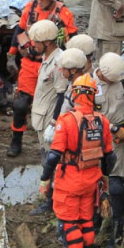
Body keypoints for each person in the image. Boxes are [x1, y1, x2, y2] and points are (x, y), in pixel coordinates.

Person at [39, 74, 116, 248]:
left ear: (74, 94)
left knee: (69, 224)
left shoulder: (67, 120)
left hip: (69, 182)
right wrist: (104, 180)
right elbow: (110, 156)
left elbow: (54, 155)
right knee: (86, 222)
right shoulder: (102, 121)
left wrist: (45, 179)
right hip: (92, 180)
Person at [7, 0, 76, 157]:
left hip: (53, 64)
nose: (40, 2)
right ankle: (16, 139)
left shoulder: (64, 14)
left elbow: (72, 41)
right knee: (20, 104)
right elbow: (20, 30)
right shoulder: (29, 9)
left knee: (55, 103)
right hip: (30, 63)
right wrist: (11, 54)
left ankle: (52, 139)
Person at [30, 44, 84, 215]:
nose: (61, 71)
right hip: (65, 129)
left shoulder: (80, 89)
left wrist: (55, 125)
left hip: (73, 135)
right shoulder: (73, 85)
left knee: (58, 164)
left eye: (64, 69)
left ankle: (57, 204)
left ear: (73, 70)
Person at [94, 52, 124, 248]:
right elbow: (87, 114)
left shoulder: (123, 81)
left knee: (117, 187)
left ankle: (117, 231)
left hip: (119, 138)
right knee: (95, 184)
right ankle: (95, 227)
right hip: (96, 138)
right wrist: (111, 127)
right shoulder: (88, 85)